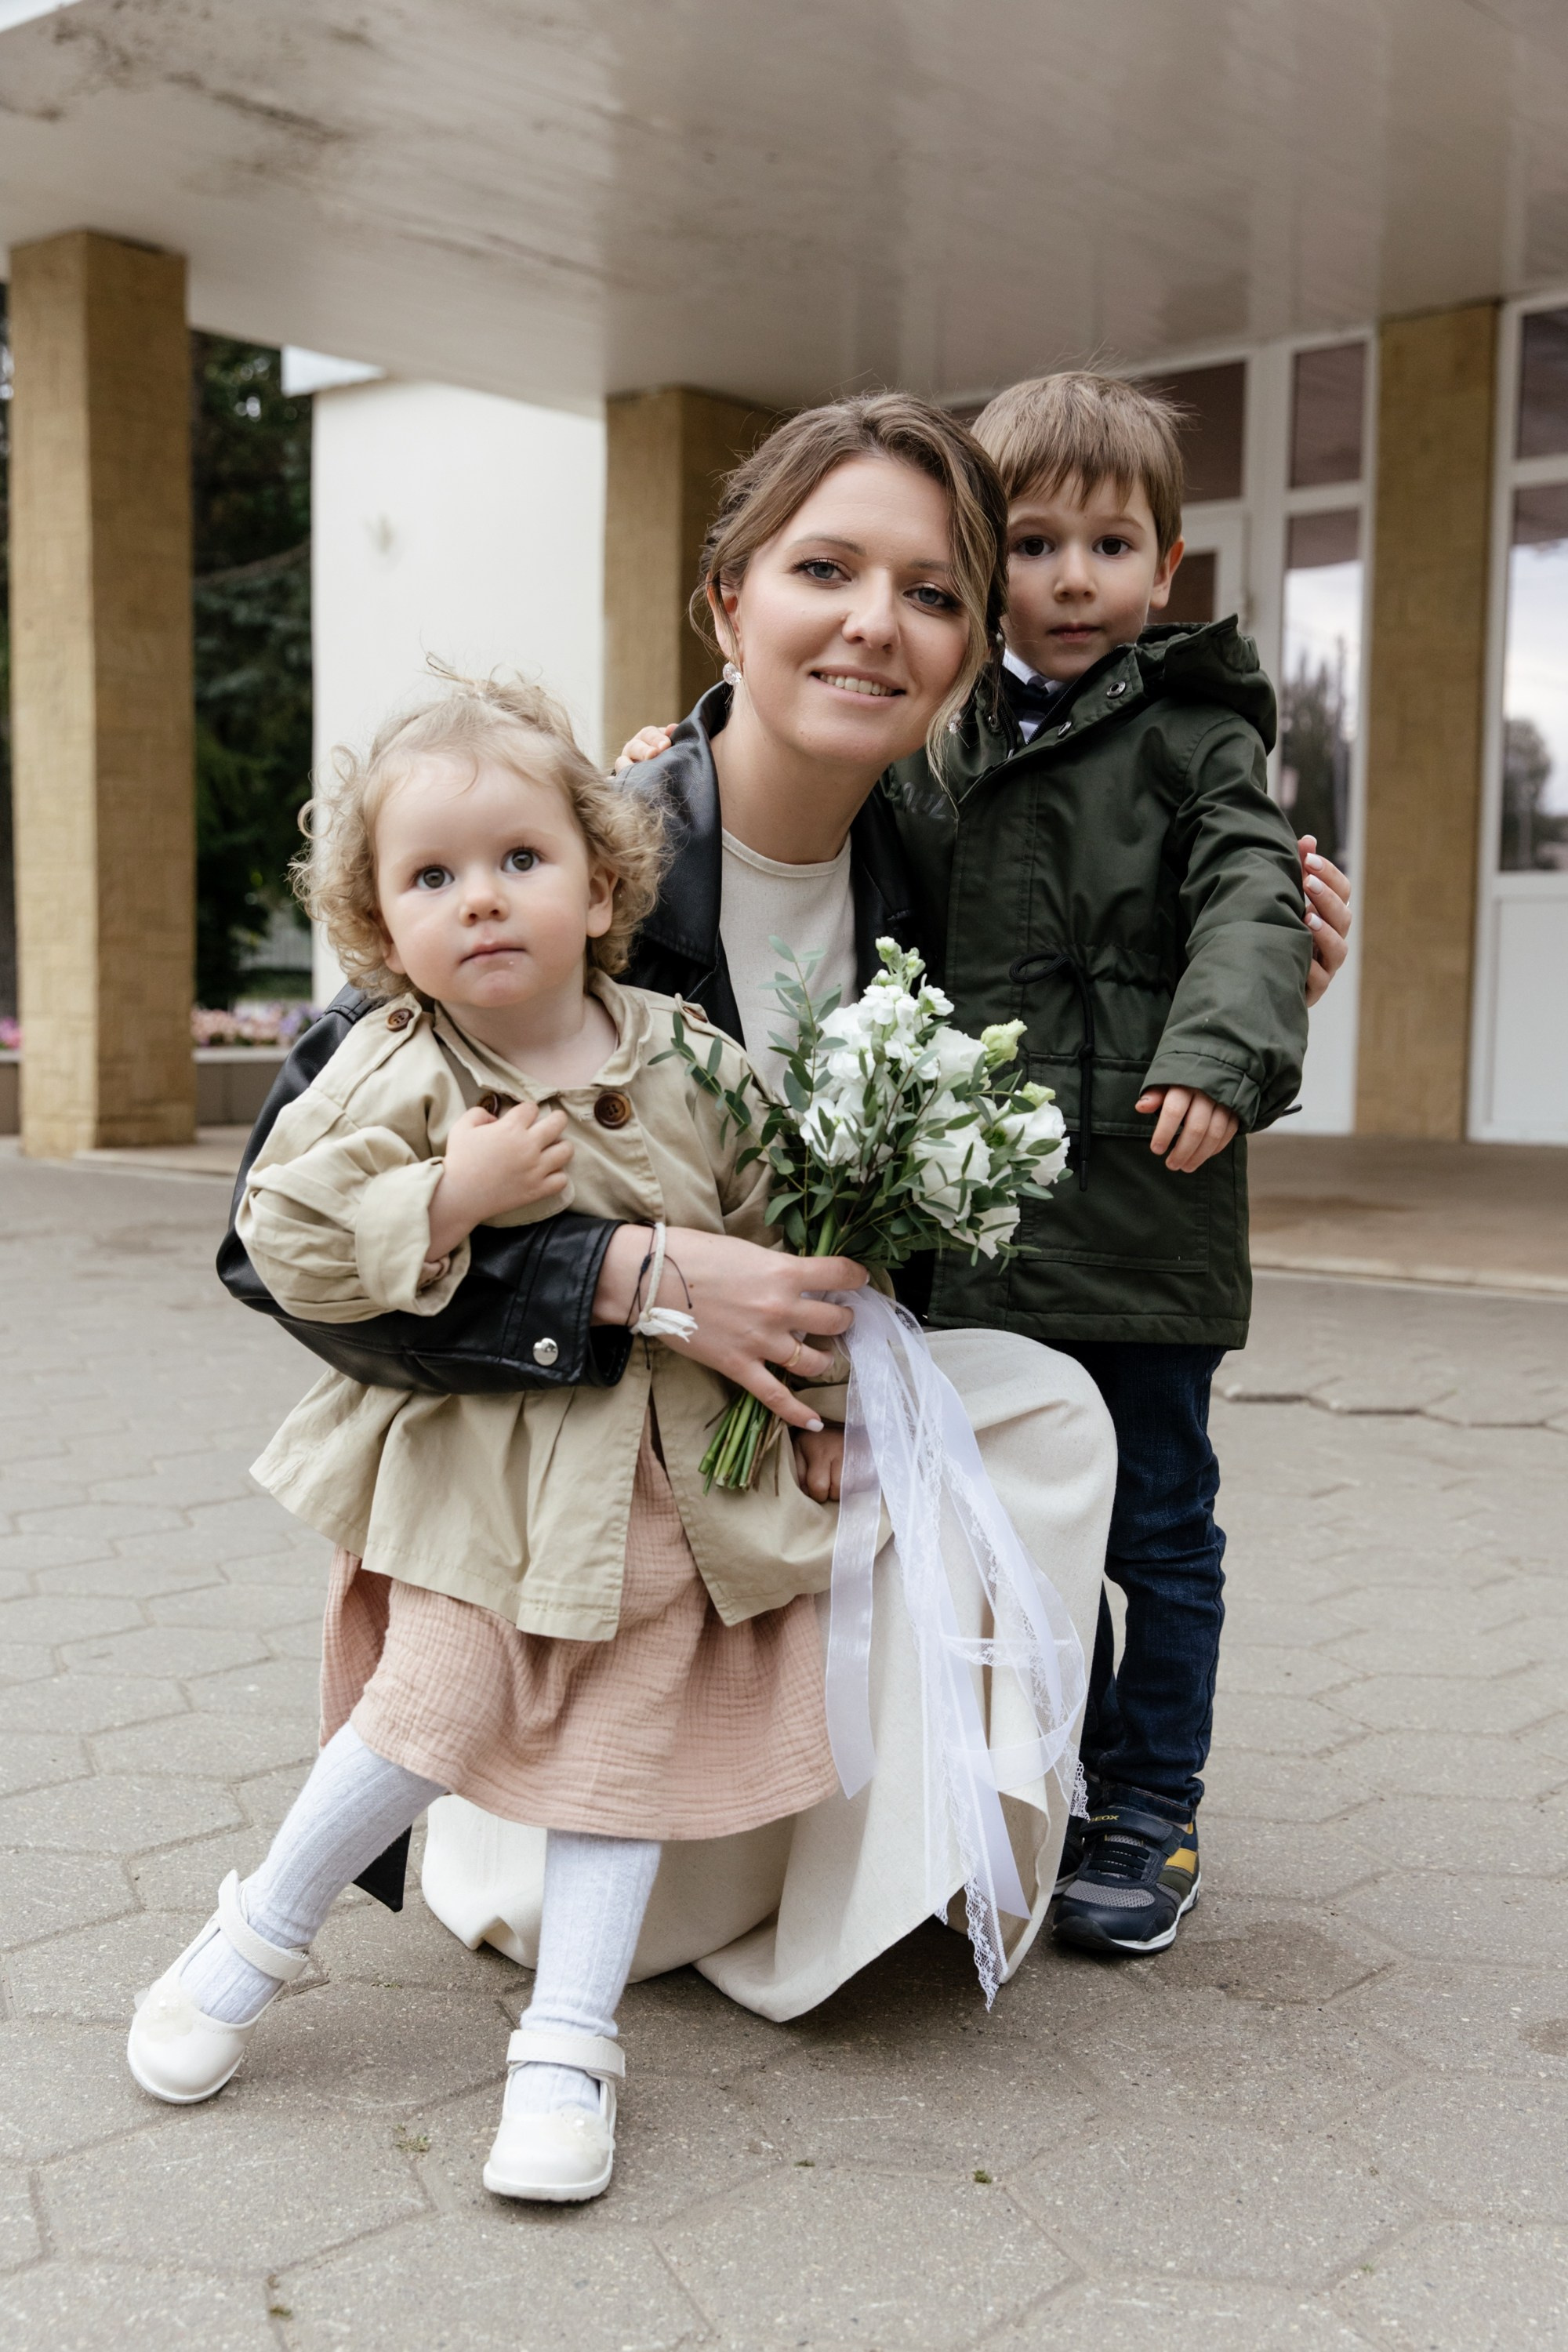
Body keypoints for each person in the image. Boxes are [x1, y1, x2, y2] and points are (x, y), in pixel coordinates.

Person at [216, 396, 1122, 2039]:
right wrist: (623, 1271)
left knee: (1046, 1417)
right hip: (556, 1436)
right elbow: (264, 1244)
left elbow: (987, 1124)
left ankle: (870, 1876)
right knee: (570, 1832)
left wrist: (1246, 995)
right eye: (825, 568)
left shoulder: (930, 867)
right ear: (728, 601)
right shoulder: (553, 855)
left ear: (973, 644)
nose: (874, 623)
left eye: (931, 594)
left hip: (757, 1414)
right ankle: (546, 1839)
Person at [615, 372, 1355, 1964]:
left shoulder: (1195, 735)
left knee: (1155, 1526)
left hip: (1143, 1220)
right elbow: (785, 788)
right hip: (975, 1225)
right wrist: (669, 759)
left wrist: (1231, 1041)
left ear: (1170, 571)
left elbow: (1245, 898)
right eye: (1030, 544)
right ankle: (1024, 1773)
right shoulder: (935, 750)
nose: (1071, 578)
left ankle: (1147, 1808)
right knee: (1002, 1520)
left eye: (1113, 544)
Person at [128, 673, 869, 2205]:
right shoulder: (398, 1065)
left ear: (600, 887)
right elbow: (289, 1234)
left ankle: (568, 2045)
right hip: (480, 1481)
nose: (480, 902)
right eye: (432, 878)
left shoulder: (695, 1061)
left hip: (663, 1488)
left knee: (619, 1762)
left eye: (519, 861)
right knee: (419, 1718)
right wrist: (449, 1200)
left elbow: (784, 1246)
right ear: (381, 930)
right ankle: (258, 1929)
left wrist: (820, 1425)